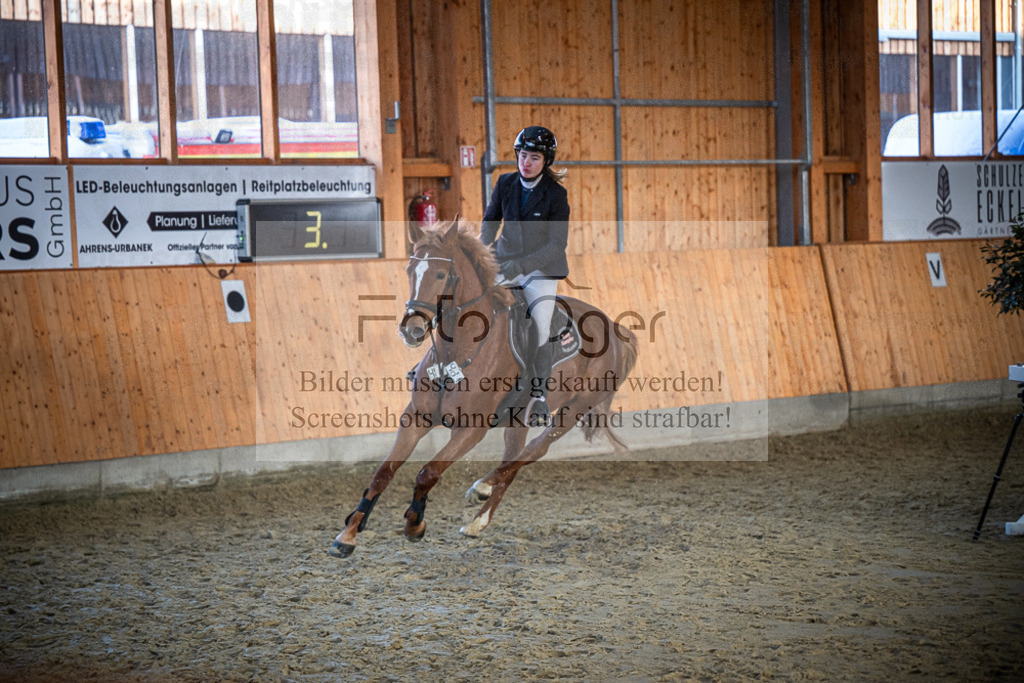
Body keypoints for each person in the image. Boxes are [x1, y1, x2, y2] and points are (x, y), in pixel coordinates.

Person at [480, 125, 570, 427]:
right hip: (504, 262)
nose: (526, 162)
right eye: (522, 155)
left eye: (534, 157)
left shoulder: (556, 195)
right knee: (469, 301)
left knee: (540, 326)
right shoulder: (505, 183)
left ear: (546, 161)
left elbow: (557, 245)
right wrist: (483, 254)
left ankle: (539, 395)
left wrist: (521, 266)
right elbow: (490, 222)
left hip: (540, 269)